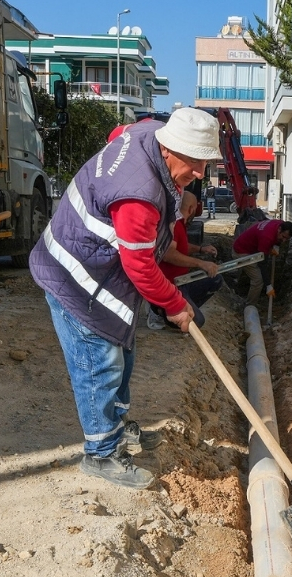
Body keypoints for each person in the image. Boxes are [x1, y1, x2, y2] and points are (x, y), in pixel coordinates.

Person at [30, 108, 221, 489]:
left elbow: (120, 131)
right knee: (99, 364)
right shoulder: (139, 193)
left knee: (123, 355)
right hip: (76, 277)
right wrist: (176, 306)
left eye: (205, 162)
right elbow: (141, 267)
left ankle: (118, 430)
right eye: (195, 162)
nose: (200, 173)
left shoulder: (148, 133)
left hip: (102, 269)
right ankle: (100, 453)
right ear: (169, 150)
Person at [148, 190, 221, 330]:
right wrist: (201, 263)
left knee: (216, 280)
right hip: (173, 284)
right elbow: (169, 254)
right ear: (191, 209)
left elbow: (180, 247)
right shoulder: (175, 224)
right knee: (197, 322)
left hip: (184, 280)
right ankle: (158, 310)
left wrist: (201, 249)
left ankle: (184, 307)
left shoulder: (180, 224)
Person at [232, 219, 292, 305]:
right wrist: (268, 285)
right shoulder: (266, 237)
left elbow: (277, 239)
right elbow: (262, 264)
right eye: (283, 237)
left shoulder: (280, 224)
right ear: (279, 229)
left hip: (251, 247)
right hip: (241, 252)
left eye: (287, 239)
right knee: (258, 280)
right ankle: (250, 306)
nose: (284, 240)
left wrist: (276, 246)